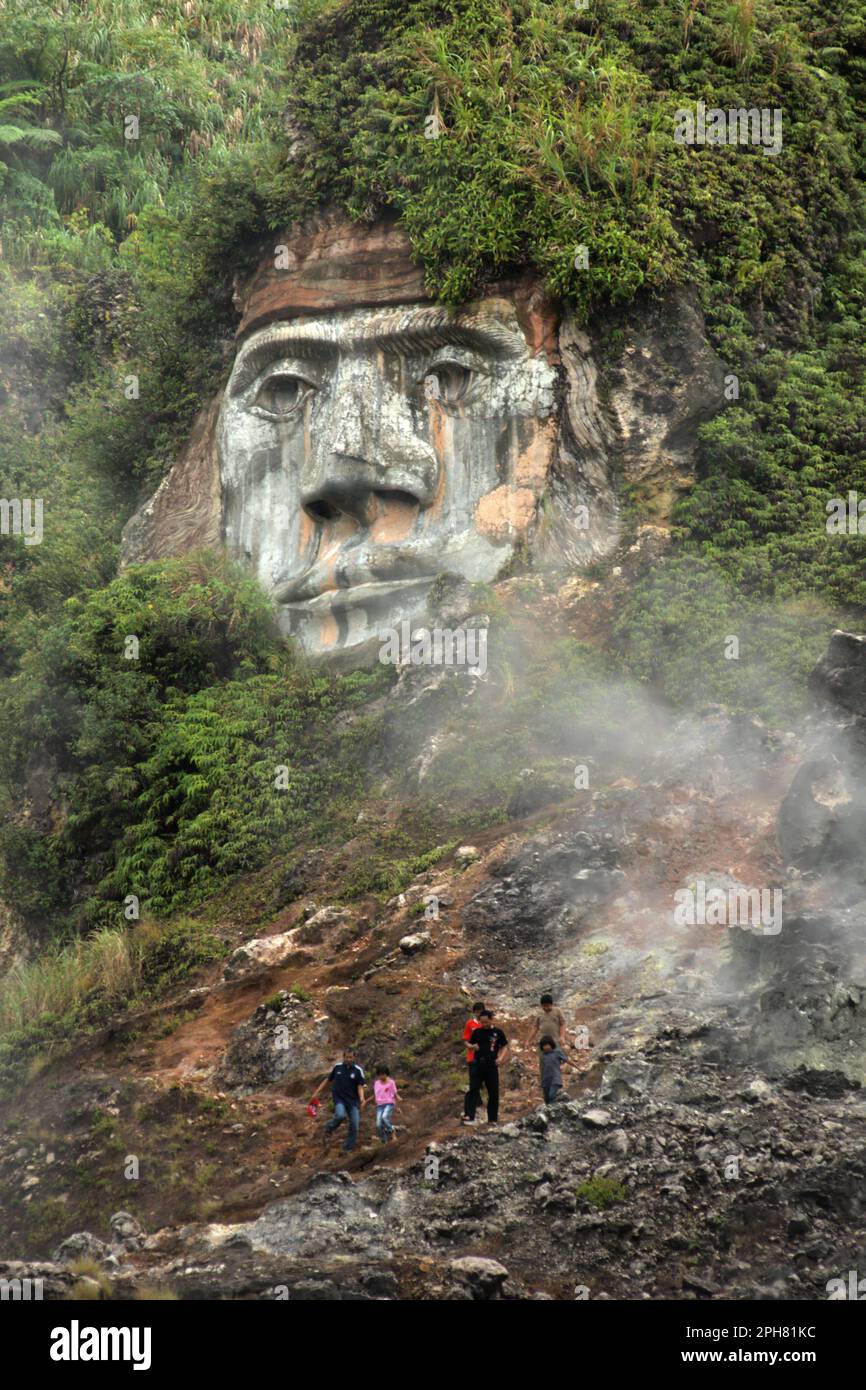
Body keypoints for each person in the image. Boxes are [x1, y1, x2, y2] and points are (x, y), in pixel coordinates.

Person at [309, 1048, 366, 1152]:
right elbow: (327, 1080)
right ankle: (329, 1128)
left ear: (354, 1058)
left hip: (353, 1101)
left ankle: (347, 1149)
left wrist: (362, 1098)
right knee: (340, 1115)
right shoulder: (337, 1067)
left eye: (351, 1057)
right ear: (343, 1057)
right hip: (339, 1098)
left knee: (355, 1126)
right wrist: (317, 1092)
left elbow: (360, 1086)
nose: (348, 1059)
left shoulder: (358, 1070)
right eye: (346, 1057)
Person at [463, 1010, 509, 1126]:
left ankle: (492, 1118)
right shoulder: (477, 1032)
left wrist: (500, 1058)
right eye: (482, 1022)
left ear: (491, 1020)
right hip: (478, 1064)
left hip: (492, 1065)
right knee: (473, 1089)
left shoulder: (497, 1032)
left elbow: (504, 1046)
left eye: (486, 1022)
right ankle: (469, 1115)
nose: (484, 1025)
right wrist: (472, 1046)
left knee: (493, 1092)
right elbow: (468, 1043)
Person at [530, 993, 566, 1085]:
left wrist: (562, 1036)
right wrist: (529, 1039)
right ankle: (544, 1082)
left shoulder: (557, 1011)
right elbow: (535, 1027)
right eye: (544, 1006)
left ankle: (556, 1082)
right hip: (542, 1042)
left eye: (548, 1006)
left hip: (555, 1042)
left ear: (552, 1004)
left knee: (554, 1062)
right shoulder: (539, 1014)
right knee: (543, 1062)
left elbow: (562, 1024)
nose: (546, 1008)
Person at [461, 1001, 485, 1120]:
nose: (479, 1014)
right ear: (474, 1012)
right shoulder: (470, 1024)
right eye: (477, 1011)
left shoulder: (486, 1024)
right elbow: (465, 1040)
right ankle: (470, 1111)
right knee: (474, 1084)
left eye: (481, 1011)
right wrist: (471, 1046)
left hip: (485, 1058)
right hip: (473, 1058)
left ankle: (480, 1104)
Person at [539, 1036, 570, 1105]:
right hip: (546, 1079)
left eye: (547, 1045)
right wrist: (541, 1080)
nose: (546, 1047)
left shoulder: (557, 1052)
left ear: (551, 1044)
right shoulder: (543, 1056)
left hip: (555, 1078)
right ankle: (550, 1112)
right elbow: (541, 1068)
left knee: (552, 1096)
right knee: (546, 1099)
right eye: (544, 1045)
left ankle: (554, 1111)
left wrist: (578, 1068)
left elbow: (567, 1060)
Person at [373, 1064, 400, 1143]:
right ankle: (384, 1140)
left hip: (389, 1103)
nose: (382, 1076)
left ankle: (392, 1131)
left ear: (386, 1074)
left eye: (383, 1074)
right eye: (380, 1074)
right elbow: (377, 1093)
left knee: (384, 1117)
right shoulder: (377, 1083)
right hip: (380, 1105)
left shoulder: (391, 1082)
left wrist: (397, 1098)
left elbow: (395, 1092)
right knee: (378, 1124)